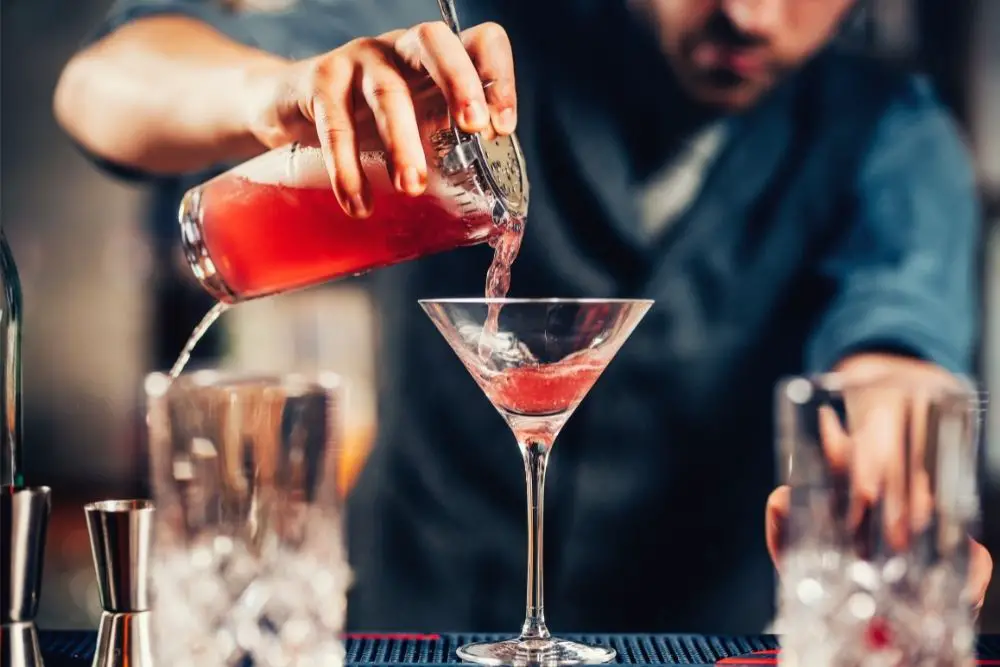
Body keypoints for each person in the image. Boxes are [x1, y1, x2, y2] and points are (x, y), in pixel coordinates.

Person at [55, 0, 992, 633]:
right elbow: (98, 87)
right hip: (410, 626)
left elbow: (895, 340)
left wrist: (885, 445)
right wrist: (264, 93)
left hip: (697, 640)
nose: (747, 12)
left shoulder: (891, 132)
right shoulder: (472, 47)